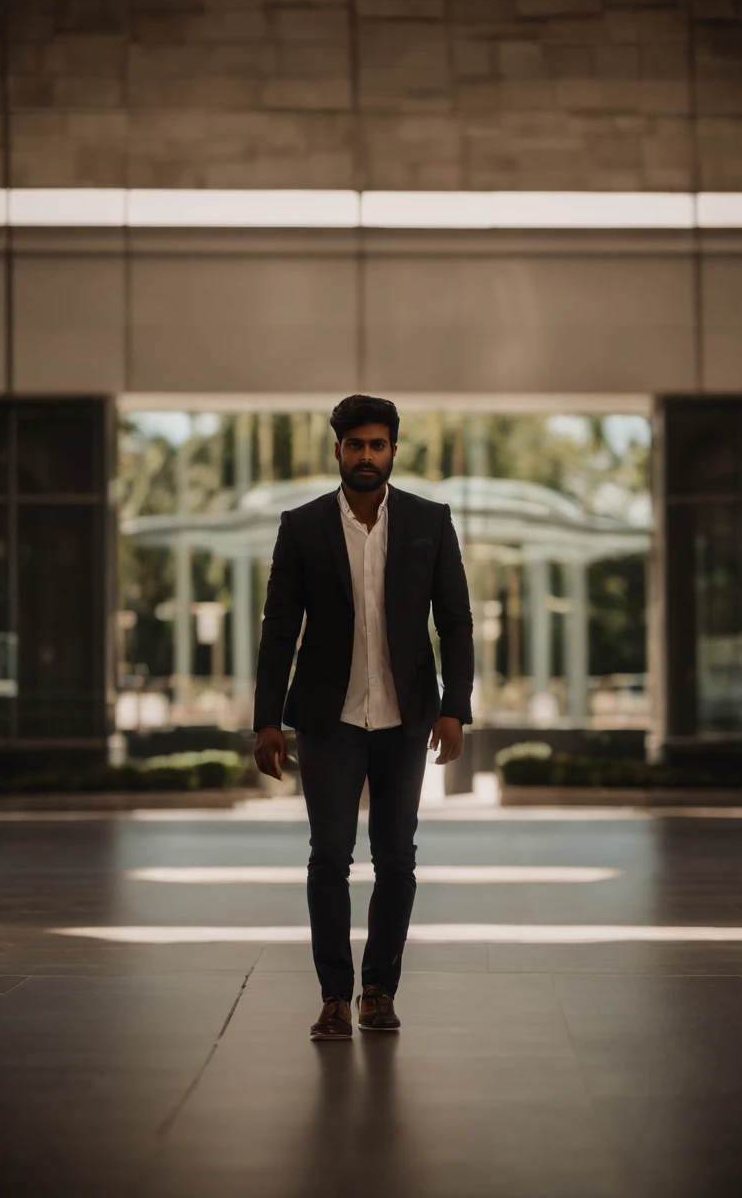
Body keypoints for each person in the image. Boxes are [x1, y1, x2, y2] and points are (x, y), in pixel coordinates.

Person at [253, 395, 474, 1041]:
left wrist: (455, 707)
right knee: (329, 856)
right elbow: (278, 630)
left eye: (378, 445)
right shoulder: (302, 526)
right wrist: (268, 719)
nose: (367, 456)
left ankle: (378, 990)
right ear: (339, 450)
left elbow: (455, 622)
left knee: (397, 859)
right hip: (330, 718)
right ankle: (332, 995)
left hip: (406, 718)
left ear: (394, 451)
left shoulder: (431, 521)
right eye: (356, 445)